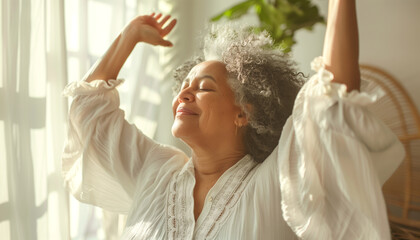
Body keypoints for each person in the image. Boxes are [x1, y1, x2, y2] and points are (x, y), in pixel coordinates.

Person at [62, 1, 405, 239]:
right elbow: (88, 111)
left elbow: (333, 98)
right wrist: (128, 37)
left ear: (244, 112)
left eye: (204, 88)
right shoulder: (156, 170)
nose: (183, 95)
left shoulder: (275, 184)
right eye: (183, 87)